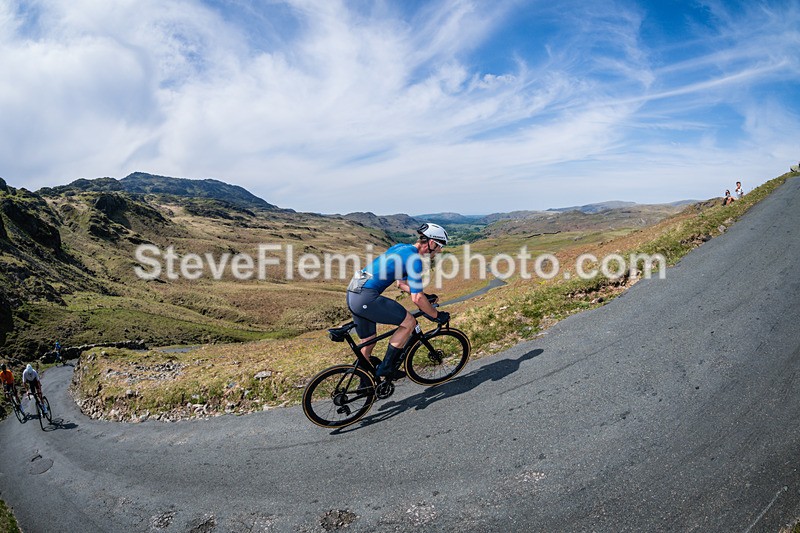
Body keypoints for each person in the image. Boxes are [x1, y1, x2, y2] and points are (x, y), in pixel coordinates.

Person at [347, 223, 451, 379]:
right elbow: (417, 298)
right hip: (366, 296)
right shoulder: (414, 259)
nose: (439, 250)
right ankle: (387, 368)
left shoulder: (401, 247)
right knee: (409, 323)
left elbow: (401, 284)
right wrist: (436, 315)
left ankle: (366, 381)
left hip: (353, 293)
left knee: (368, 341)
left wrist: (424, 295)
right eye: (439, 246)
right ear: (431, 243)